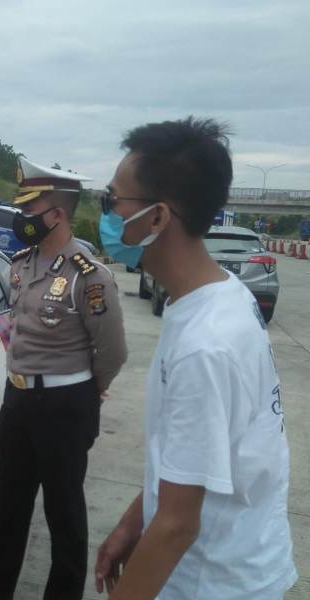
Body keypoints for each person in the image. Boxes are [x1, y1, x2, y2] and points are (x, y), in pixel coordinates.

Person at [93, 117, 297, 599]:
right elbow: (196, 455)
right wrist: (134, 521)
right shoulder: (221, 296)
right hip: (231, 562)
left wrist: (154, 527)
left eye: (113, 200)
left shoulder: (205, 344)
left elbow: (178, 527)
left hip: (213, 581)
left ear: (158, 217)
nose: (105, 213)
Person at [0, 158, 128, 600]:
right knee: (10, 502)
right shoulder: (22, 262)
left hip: (65, 406)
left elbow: (114, 350)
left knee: (64, 512)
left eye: (30, 210)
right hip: (19, 399)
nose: (22, 218)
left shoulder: (90, 277)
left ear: (57, 215)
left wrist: (88, 385)